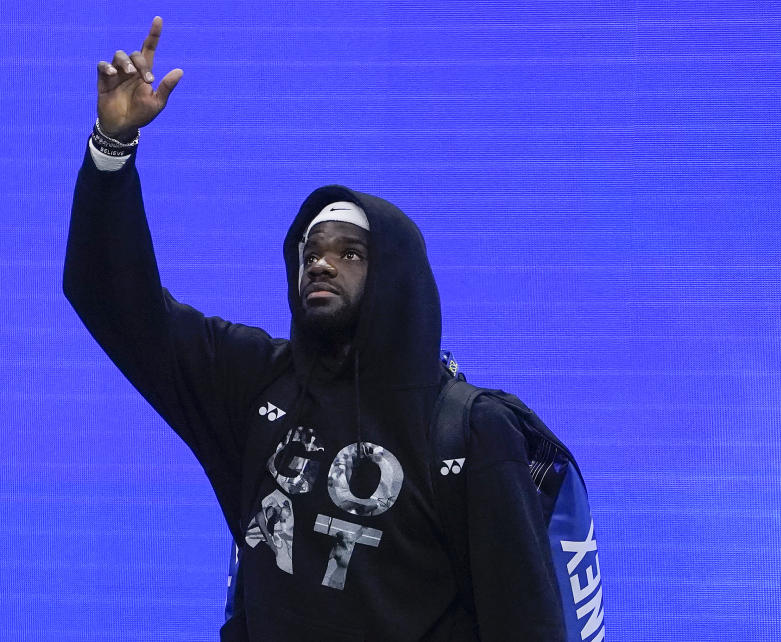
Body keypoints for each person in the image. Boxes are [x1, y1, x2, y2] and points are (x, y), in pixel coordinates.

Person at [64, 17, 565, 641]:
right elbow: (118, 305)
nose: (321, 261)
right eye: (311, 249)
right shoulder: (252, 382)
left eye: (351, 252)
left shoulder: (471, 431)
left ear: (398, 279)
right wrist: (111, 148)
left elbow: (526, 626)